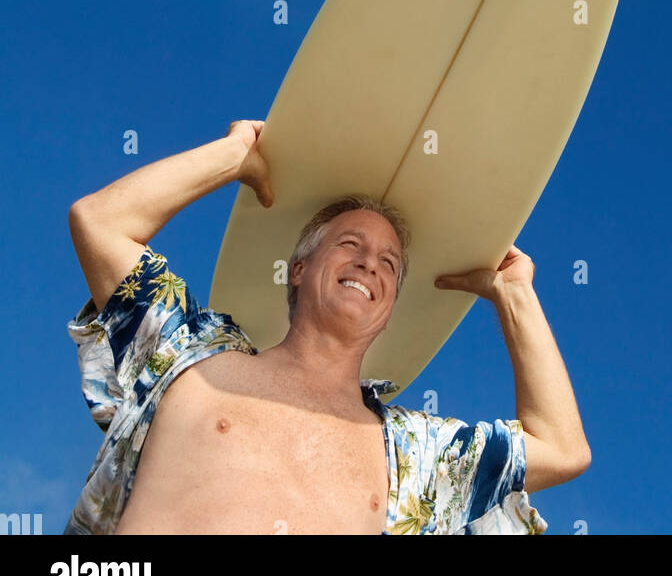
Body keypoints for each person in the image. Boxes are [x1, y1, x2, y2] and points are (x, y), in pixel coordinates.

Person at [64, 120, 591, 535]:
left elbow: (563, 449)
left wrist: (514, 293)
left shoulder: (412, 456)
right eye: (350, 244)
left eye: (388, 264)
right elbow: (101, 222)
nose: (369, 264)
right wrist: (234, 157)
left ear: (389, 309)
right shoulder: (190, 356)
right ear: (298, 268)